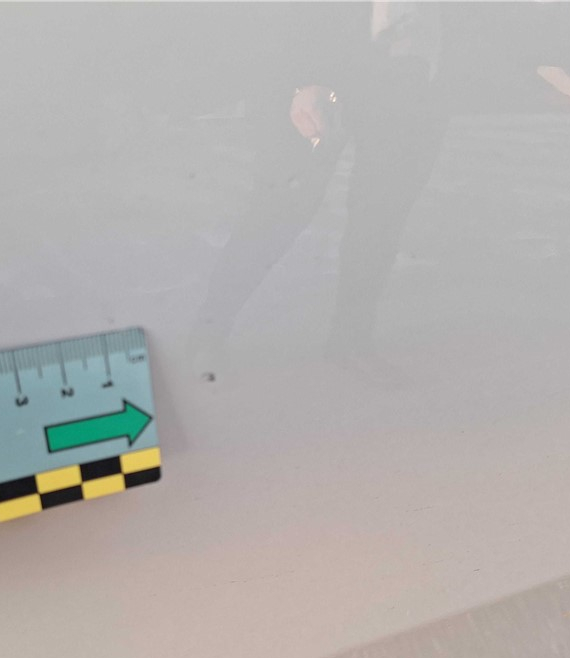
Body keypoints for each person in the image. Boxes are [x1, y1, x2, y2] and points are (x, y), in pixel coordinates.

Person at [191, 2, 447, 377]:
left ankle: (352, 340)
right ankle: (208, 334)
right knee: (282, 206)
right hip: (320, 65)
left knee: (381, 215)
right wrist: (302, 78)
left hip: (413, 73)